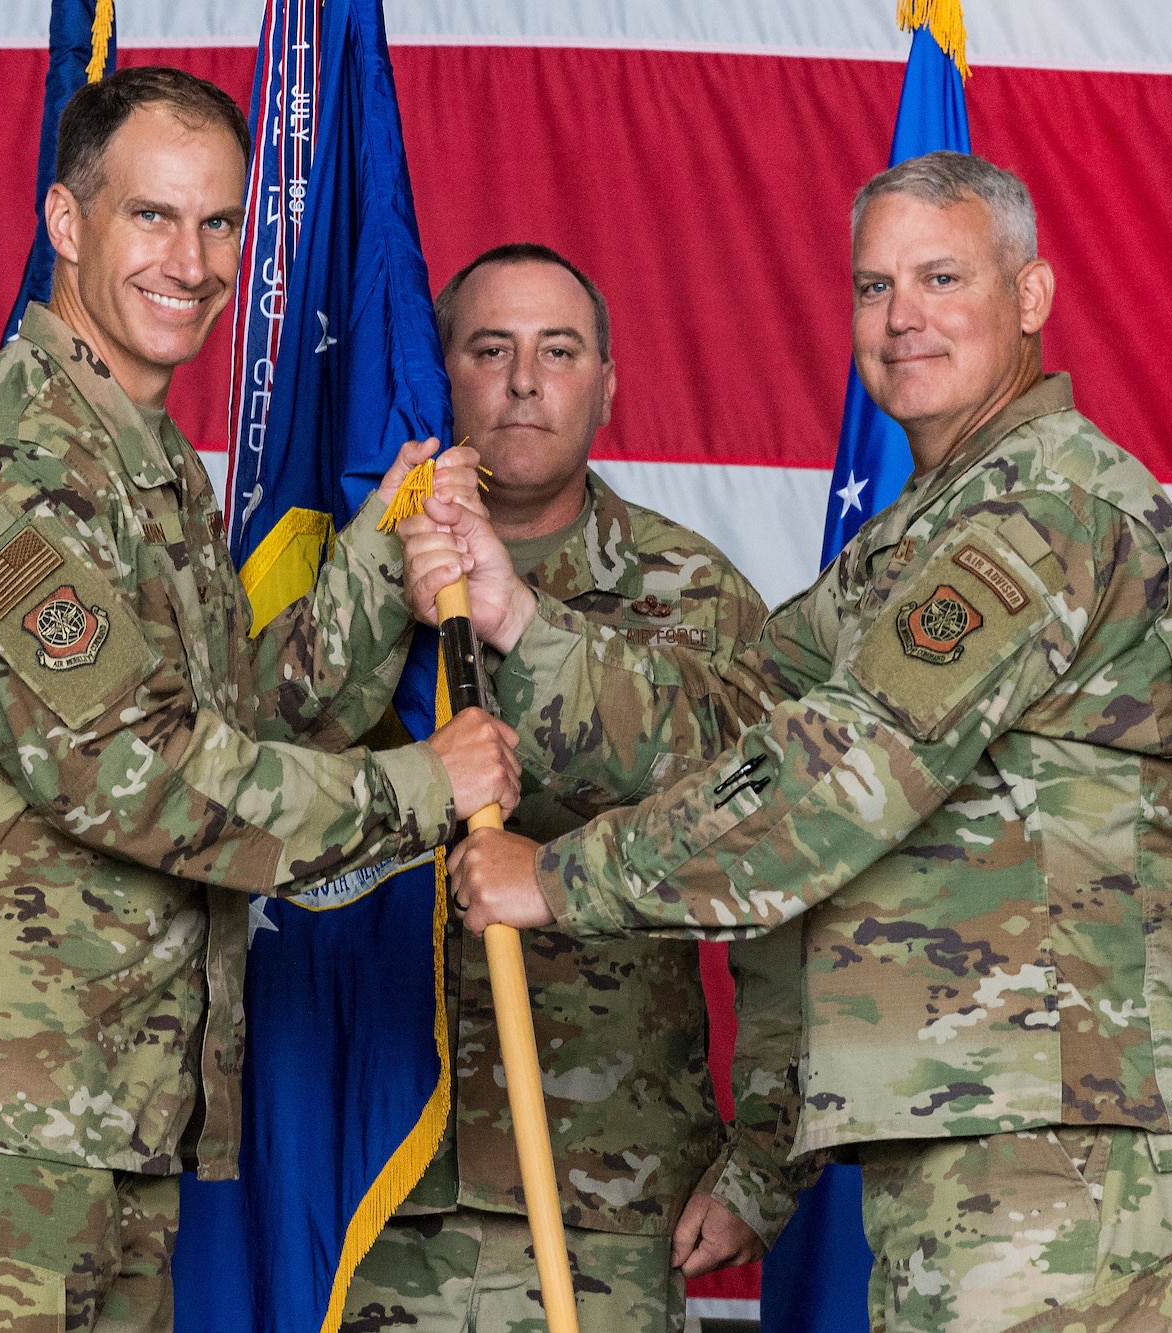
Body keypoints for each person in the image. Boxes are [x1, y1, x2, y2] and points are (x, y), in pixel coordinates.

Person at [413, 152, 1172, 1333]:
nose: (901, 317)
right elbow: (737, 713)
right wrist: (516, 621)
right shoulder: (919, 533)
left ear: (1030, 295)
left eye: (941, 276)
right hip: (971, 1124)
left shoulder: (1044, 512)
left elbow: (830, 775)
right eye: (872, 287)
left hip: (1062, 1137)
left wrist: (556, 878)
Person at [0, 67, 520, 1333]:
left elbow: (236, 731)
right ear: (67, 225)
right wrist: (421, 788)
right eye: (150, 217)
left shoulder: (154, 471)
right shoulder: (1, 457)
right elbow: (135, 770)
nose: (191, 260)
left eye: (220, 223)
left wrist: (371, 567)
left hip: (100, 1115)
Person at [341, 244, 816, 1333]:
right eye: (489, 348)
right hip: (368, 1177)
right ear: (440, 374)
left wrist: (761, 1155)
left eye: (558, 351)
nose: (521, 380)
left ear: (606, 382)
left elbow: (778, 863)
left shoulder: (690, 594)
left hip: (604, 1188)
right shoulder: (354, 578)